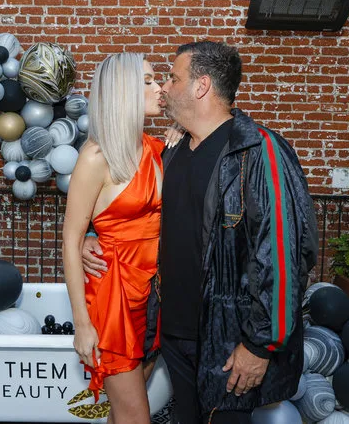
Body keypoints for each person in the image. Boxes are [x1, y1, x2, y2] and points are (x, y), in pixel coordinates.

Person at [82, 41, 319, 424]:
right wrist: (91, 236)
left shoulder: (257, 149)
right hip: (171, 335)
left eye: (173, 78)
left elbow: (284, 254)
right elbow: (133, 210)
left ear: (201, 86)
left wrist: (260, 345)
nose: (164, 88)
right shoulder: (170, 153)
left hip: (227, 342)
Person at [62, 52, 164, 424]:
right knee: (137, 417)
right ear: (123, 91)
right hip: (114, 302)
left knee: (121, 414)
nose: (159, 88)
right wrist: (82, 324)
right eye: (149, 81)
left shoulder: (156, 148)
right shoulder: (95, 157)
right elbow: (70, 241)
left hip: (153, 297)